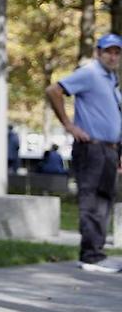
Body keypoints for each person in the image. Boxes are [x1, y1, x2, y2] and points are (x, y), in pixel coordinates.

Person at [46, 33, 122, 273]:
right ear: (98, 53)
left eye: (117, 52)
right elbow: (53, 90)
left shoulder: (111, 79)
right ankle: (90, 256)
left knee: (104, 201)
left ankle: (96, 254)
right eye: (108, 51)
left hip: (109, 149)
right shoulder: (90, 73)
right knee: (91, 202)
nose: (112, 56)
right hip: (91, 148)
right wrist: (69, 125)